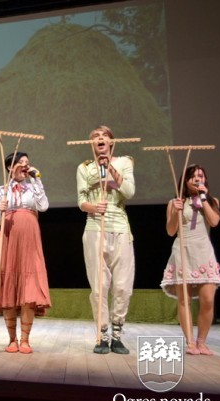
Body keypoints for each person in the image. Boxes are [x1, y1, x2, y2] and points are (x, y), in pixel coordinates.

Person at [76, 126, 135, 355]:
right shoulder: (85, 167)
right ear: (91, 143)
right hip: (94, 228)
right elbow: (81, 200)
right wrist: (93, 207)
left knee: (123, 286)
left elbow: (129, 192)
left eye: (104, 136)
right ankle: (102, 336)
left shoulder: (124, 162)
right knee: (99, 287)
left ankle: (117, 335)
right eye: (95, 137)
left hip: (120, 228)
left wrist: (109, 166)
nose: (100, 139)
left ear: (111, 141)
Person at [0, 152, 51, 354]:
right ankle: (12, 339)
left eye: (27, 163)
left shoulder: (33, 187)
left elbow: (44, 207)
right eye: (20, 162)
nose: (25, 165)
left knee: (29, 287)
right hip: (7, 238)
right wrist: (1, 210)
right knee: (8, 286)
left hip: (29, 239)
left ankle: (25, 340)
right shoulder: (0, 191)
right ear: (9, 167)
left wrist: (37, 180)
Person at [160, 164, 220, 355]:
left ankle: (202, 342)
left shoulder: (212, 201)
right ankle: (190, 342)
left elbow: (214, 222)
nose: (197, 179)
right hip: (183, 250)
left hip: (203, 251)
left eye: (201, 176)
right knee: (184, 300)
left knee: (208, 300)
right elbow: (170, 231)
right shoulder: (175, 202)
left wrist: (203, 198)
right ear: (185, 181)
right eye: (193, 176)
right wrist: (176, 211)